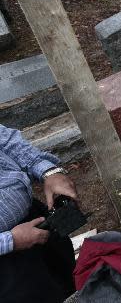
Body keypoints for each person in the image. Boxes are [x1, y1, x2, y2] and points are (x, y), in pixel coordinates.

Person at [0, 123, 79, 302]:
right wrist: (9, 241)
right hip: (6, 262)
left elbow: (8, 142)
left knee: (70, 280)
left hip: (35, 219)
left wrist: (49, 171)